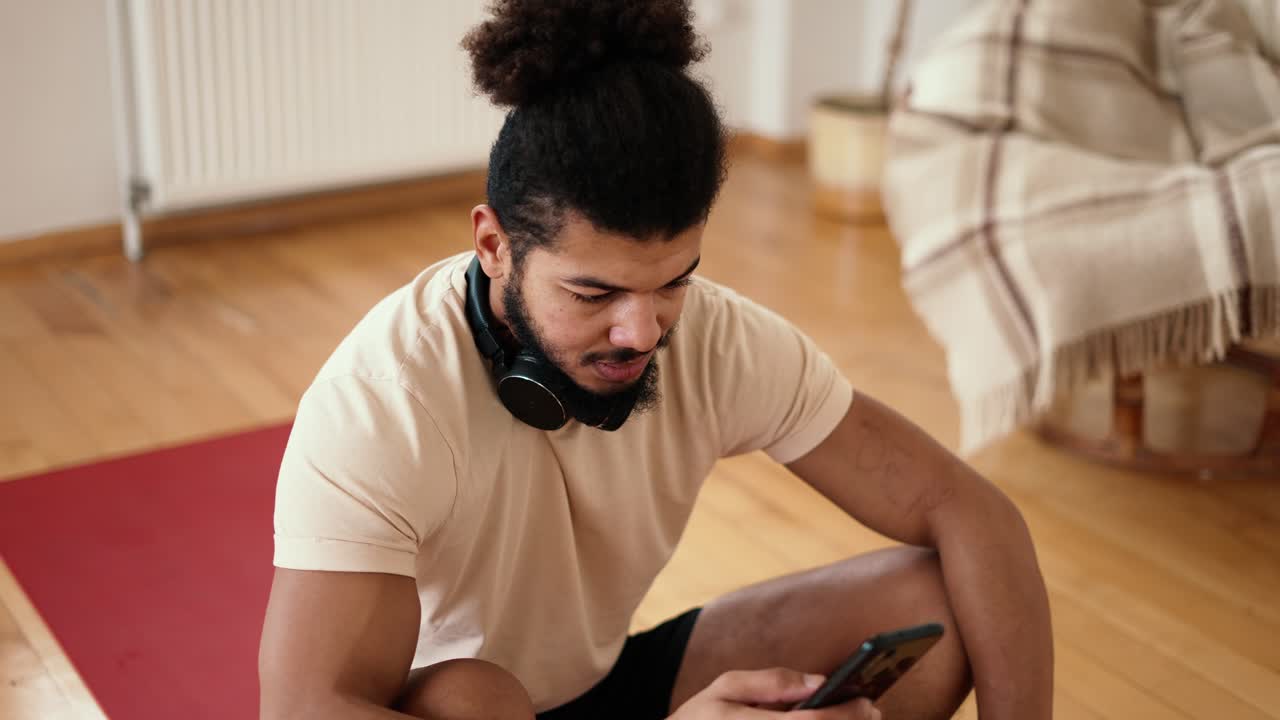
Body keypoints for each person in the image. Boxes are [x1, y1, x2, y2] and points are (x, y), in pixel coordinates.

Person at [257, 1, 1054, 718]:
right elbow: (301, 711)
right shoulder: (385, 400)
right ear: (495, 246)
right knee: (476, 697)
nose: (642, 332)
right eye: (593, 293)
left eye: (674, 280)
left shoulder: (717, 338)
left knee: (932, 607)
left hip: (605, 686)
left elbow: (972, 512)